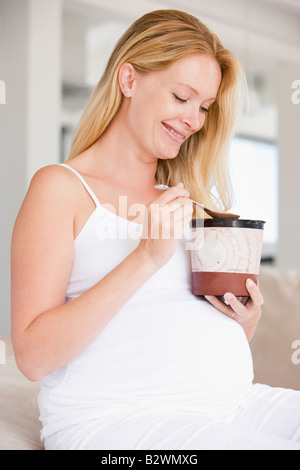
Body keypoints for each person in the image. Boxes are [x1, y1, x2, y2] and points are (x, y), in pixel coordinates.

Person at [11, 9, 300, 450]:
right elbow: (32, 355)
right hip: (117, 419)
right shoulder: (61, 189)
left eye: (204, 107)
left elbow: (169, 325)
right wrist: (145, 256)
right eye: (181, 97)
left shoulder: (186, 202)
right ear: (129, 80)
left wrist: (244, 321)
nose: (195, 120)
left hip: (234, 405)